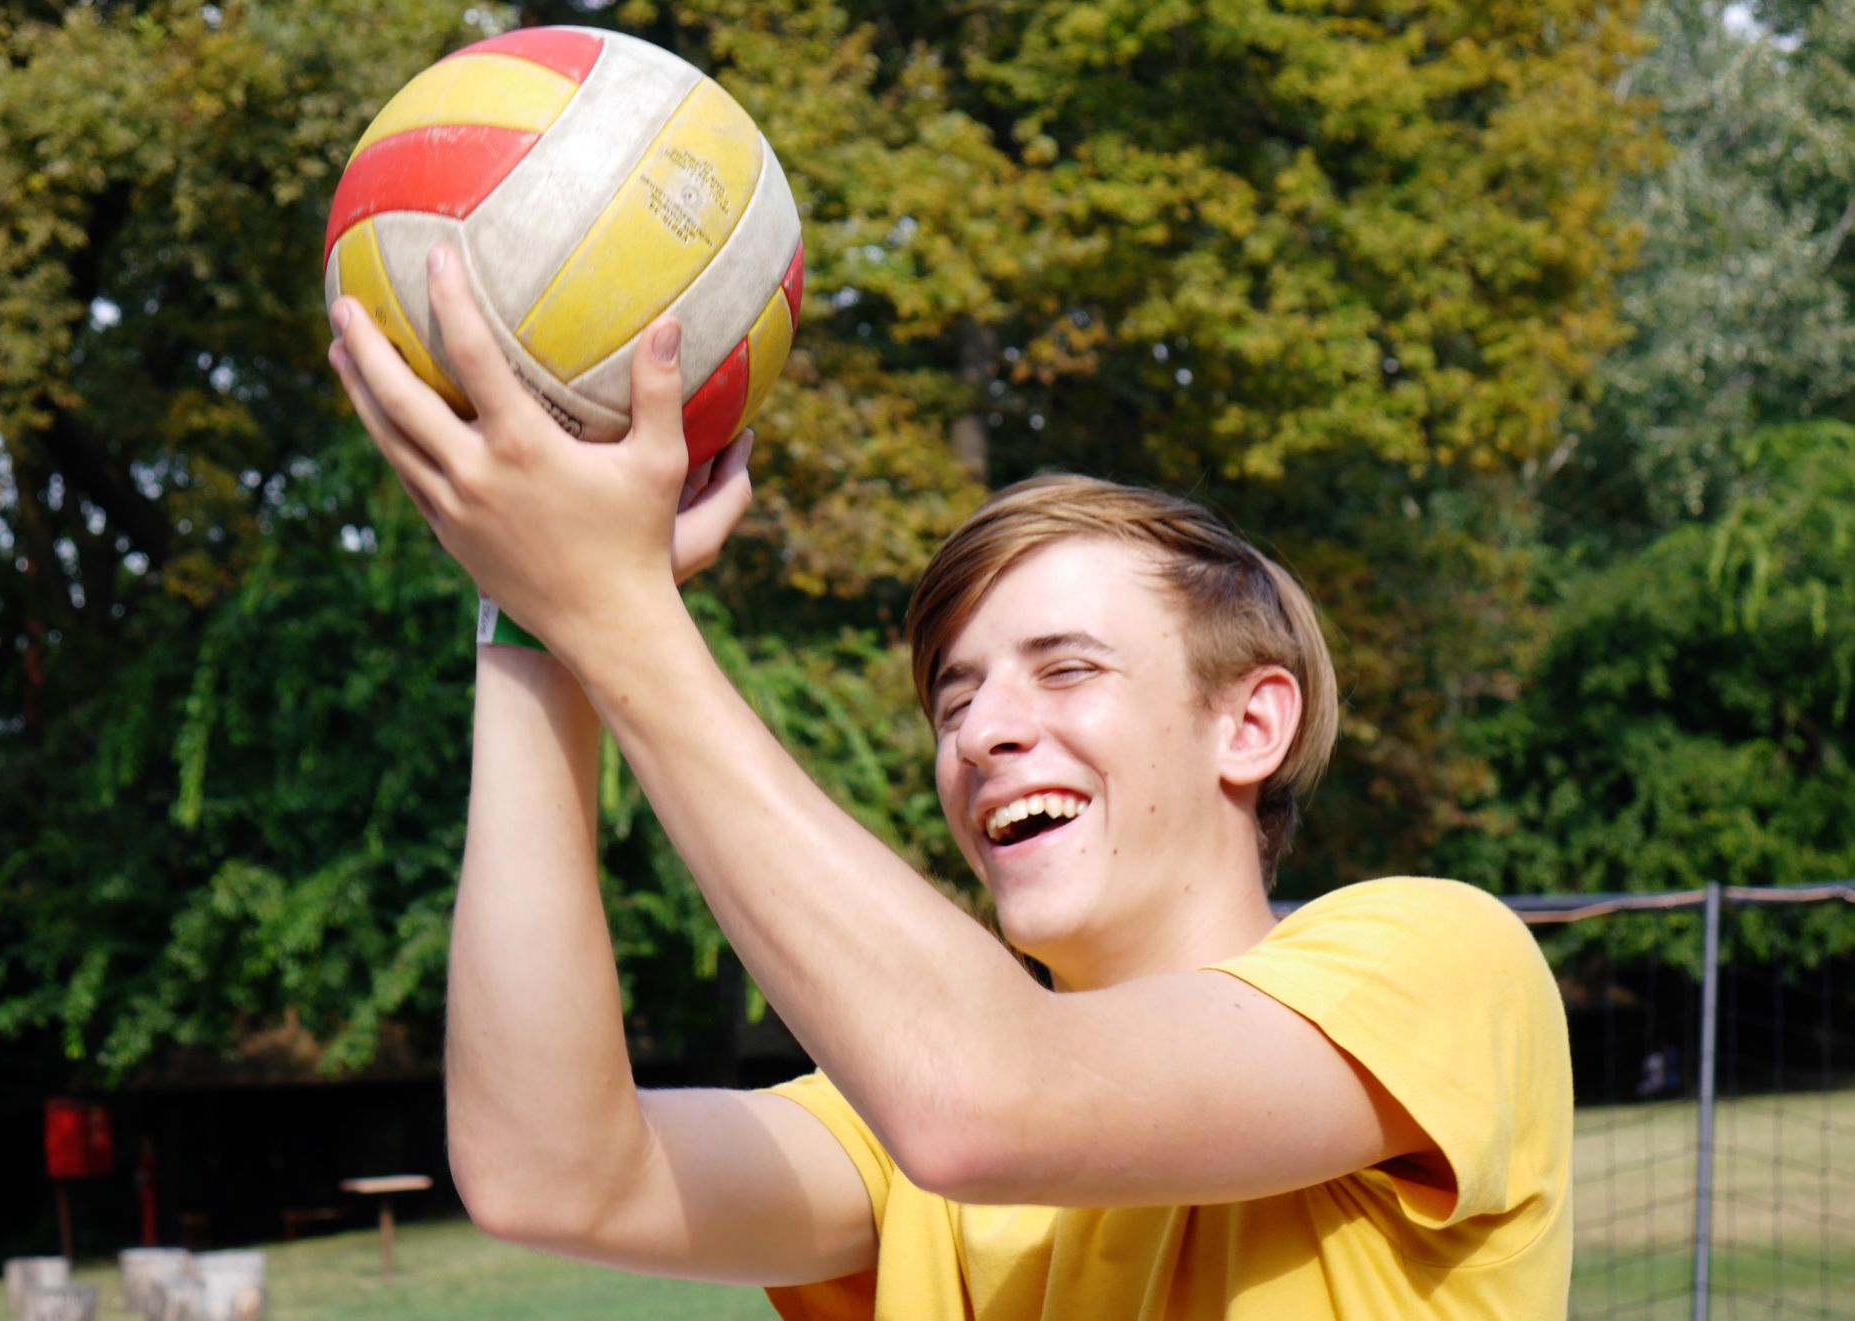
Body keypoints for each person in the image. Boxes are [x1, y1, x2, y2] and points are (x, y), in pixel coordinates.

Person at [326, 246, 1574, 1318]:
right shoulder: (898, 1133)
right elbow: (550, 1172)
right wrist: (533, 618)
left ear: (1251, 725)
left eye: (1066, 668)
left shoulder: (1441, 962)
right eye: (957, 699)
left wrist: (615, 608)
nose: (982, 734)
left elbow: (990, 1098)